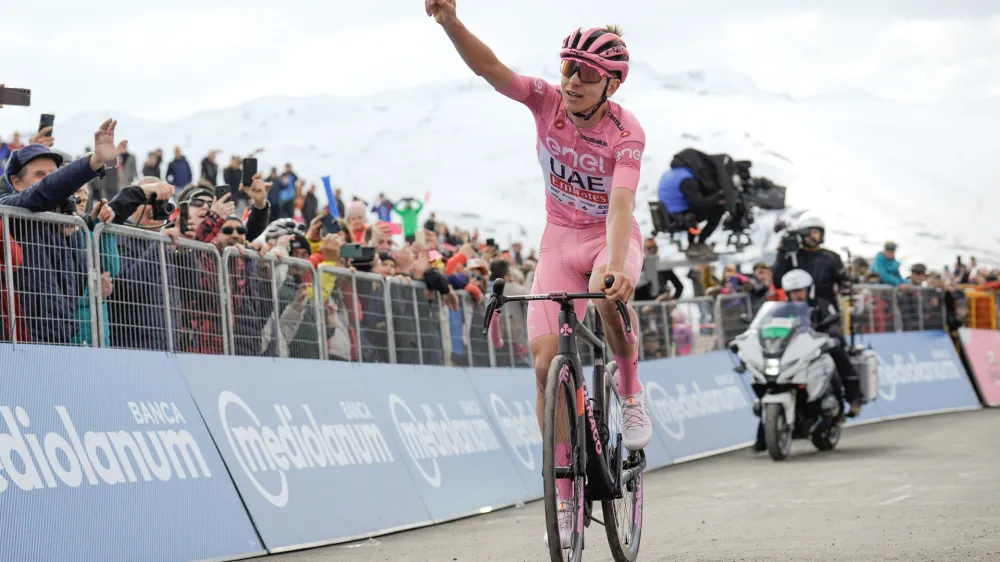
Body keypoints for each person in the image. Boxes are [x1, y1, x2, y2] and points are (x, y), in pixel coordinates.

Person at [427, 0, 650, 547]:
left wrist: (617, 267)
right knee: (545, 361)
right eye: (567, 67)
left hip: (606, 239)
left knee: (602, 296)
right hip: (558, 238)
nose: (572, 80)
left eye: (587, 74)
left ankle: (630, 389)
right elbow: (490, 69)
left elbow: (621, 205)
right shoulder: (545, 102)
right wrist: (452, 23)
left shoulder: (627, 132)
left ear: (610, 86)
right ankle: (565, 481)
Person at [657, 148, 732, 259]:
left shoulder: (669, 174)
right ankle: (699, 243)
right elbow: (699, 203)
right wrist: (719, 196)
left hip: (669, 215)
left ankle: (693, 244)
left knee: (695, 212)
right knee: (717, 210)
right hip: (681, 217)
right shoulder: (687, 179)